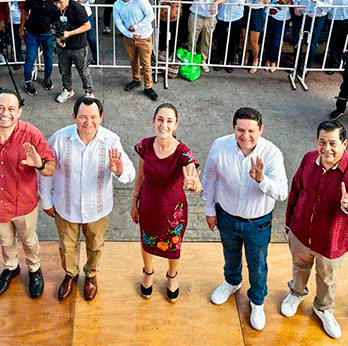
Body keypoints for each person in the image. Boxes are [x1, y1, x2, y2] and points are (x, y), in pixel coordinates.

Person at [282, 120, 348, 339]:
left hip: (332, 240)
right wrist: (289, 221)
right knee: (299, 266)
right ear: (316, 141)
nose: (326, 149)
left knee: (327, 278)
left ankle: (322, 307)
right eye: (322, 142)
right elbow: (296, 189)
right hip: (301, 232)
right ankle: (296, 292)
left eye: (333, 143)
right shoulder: (307, 159)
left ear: (345, 143)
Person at [40, 97, 136, 300]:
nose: (88, 122)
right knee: (66, 246)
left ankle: (91, 275)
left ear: (101, 117)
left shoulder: (111, 140)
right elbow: (46, 170)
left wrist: (119, 170)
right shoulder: (58, 138)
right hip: (65, 206)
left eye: (93, 117)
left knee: (96, 245)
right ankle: (70, 274)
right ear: (74, 116)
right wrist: (46, 201)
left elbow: (129, 173)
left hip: (97, 209)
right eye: (83, 117)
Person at [0, 90, 56, 299]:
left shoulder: (31, 134)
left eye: (11, 109)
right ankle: (11, 268)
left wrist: (39, 165)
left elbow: (51, 167)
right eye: (0, 108)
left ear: (19, 112)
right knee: (5, 241)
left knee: (29, 240)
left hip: (24, 203)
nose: (5, 113)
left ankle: (34, 269)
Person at [202, 107, 288, 330]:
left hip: (258, 223)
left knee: (258, 265)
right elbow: (209, 179)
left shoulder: (272, 154)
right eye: (240, 130)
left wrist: (262, 180)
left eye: (251, 130)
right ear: (233, 128)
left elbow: (281, 192)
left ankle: (257, 301)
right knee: (230, 254)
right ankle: (232, 282)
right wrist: (209, 210)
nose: (246, 136)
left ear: (261, 129)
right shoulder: (219, 145)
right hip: (227, 216)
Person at [132, 103, 202, 302]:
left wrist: (193, 184)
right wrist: (134, 202)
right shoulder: (144, 146)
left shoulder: (183, 152)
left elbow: (193, 178)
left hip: (174, 213)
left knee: (173, 247)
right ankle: (148, 272)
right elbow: (140, 175)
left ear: (176, 125)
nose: (164, 125)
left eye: (169, 121)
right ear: (153, 121)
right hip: (147, 206)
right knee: (146, 242)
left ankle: (171, 276)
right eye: (160, 119)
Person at [112, 0, 158, 101]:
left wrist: (136, 27)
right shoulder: (117, 5)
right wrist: (129, 34)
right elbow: (118, 23)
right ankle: (136, 79)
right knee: (133, 60)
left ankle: (149, 86)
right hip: (129, 37)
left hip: (144, 37)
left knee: (146, 63)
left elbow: (150, 15)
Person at [50, 0, 93, 103]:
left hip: (78, 45)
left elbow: (87, 26)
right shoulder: (53, 9)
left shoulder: (77, 8)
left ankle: (89, 91)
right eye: (55, 3)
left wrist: (70, 33)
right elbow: (52, 26)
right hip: (62, 46)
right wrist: (58, 38)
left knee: (83, 70)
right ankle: (67, 89)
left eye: (60, 2)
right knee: (64, 69)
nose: (58, 5)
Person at [291, 0, 333, 69]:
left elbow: (328, 7)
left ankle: (307, 66)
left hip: (317, 18)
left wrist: (316, 2)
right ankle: (297, 63)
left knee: (312, 42)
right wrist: (295, 5)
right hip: (302, 15)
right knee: (297, 40)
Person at [186, 0, 227, 71]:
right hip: (196, 14)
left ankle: (203, 60)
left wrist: (215, 3)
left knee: (206, 40)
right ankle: (192, 60)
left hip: (210, 16)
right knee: (192, 39)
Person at [20, 0, 57, 96]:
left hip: (47, 34)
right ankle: (28, 81)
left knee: (48, 56)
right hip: (32, 32)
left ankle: (47, 78)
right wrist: (21, 29)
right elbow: (25, 12)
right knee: (30, 57)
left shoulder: (53, 0)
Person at [64, 0, 98, 64]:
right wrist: (77, 2)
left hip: (86, 14)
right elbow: (67, 1)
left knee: (90, 38)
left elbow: (92, 0)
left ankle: (95, 57)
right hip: (73, 15)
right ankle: (75, 59)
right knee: (75, 37)